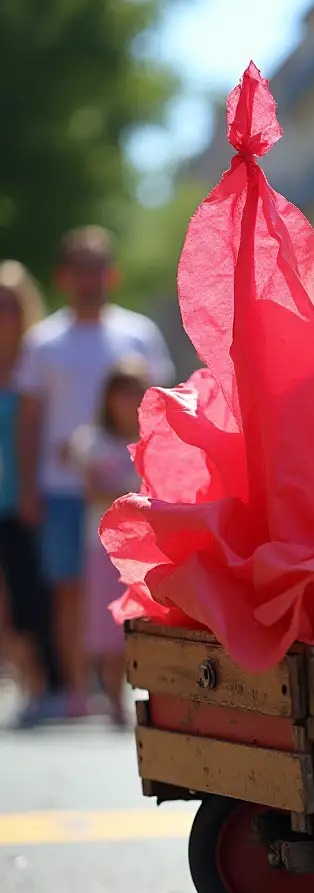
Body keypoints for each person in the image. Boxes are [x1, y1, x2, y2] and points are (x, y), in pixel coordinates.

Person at [15, 227, 174, 716]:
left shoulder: (139, 333)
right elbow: (29, 419)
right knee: (69, 590)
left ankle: (125, 688)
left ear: (113, 273)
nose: (90, 278)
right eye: (80, 268)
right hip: (62, 490)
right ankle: (78, 693)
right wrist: (27, 488)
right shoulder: (43, 342)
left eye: (97, 266)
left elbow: (162, 411)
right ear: (64, 277)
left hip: (130, 492)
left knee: (135, 588)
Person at [68, 360, 147, 726]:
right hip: (103, 550)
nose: (128, 400)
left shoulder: (153, 437)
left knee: (142, 624)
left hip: (145, 549)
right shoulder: (93, 442)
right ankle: (114, 702)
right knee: (109, 627)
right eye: (122, 392)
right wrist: (131, 495)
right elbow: (94, 492)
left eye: (135, 391)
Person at [0, 261, 61, 725]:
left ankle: (38, 684)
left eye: (11, 304)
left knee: (31, 593)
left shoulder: (40, 360)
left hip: (29, 498)